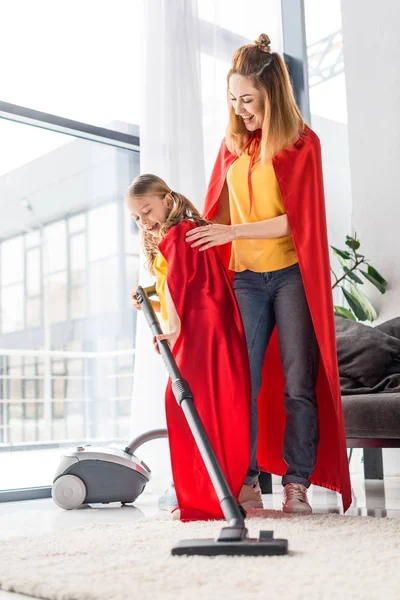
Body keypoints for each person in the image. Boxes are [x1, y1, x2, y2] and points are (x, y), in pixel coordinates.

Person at [186, 33, 352, 514]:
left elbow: (296, 221)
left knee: (298, 382)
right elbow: (214, 214)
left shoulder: (302, 144)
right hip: (245, 279)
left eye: (248, 100)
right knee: (244, 380)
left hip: (291, 275)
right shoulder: (231, 146)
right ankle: (247, 477)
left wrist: (232, 233)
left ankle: (297, 482)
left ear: (272, 95)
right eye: (233, 99)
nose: (239, 109)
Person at [126, 174, 251, 521]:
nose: (143, 221)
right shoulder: (182, 233)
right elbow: (178, 284)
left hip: (199, 332)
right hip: (209, 330)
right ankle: (204, 488)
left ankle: (203, 491)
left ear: (167, 199)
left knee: (187, 404)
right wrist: (149, 295)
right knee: (207, 407)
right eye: (136, 218)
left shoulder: (180, 233)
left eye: (147, 211)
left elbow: (181, 284)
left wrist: (174, 332)